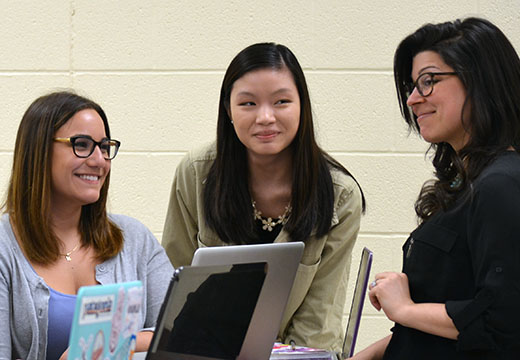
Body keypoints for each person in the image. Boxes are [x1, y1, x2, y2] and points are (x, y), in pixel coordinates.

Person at [162, 42, 364, 351]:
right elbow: (173, 277)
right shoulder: (196, 173)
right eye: (248, 104)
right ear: (228, 110)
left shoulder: (339, 195)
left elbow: (319, 317)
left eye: (282, 101)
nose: (266, 117)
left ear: (302, 106)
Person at [352, 17, 520, 360]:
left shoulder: (501, 185)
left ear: (480, 81)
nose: (413, 100)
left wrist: (405, 309)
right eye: (413, 85)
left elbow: (503, 322)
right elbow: (430, 332)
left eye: (429, 81)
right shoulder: (469, 183)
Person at [0, 91, 174, 360]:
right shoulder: (4, 246)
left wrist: (108, 346)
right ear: (38, 150)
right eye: (81, 144)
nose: (98, 160)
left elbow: (178, 329)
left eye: (104, 147)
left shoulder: (136, 238)